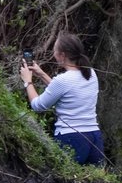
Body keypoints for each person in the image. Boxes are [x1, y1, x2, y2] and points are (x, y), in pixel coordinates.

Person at [19, 33, 104, 165]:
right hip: (94, 137)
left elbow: (38, 105)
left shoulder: (63, 80)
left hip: (72, 137)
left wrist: (28, 82)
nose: (53, 54)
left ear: (62, 55)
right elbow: (67, 90)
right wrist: (41, 74)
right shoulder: (91, 73)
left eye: (55, 51)